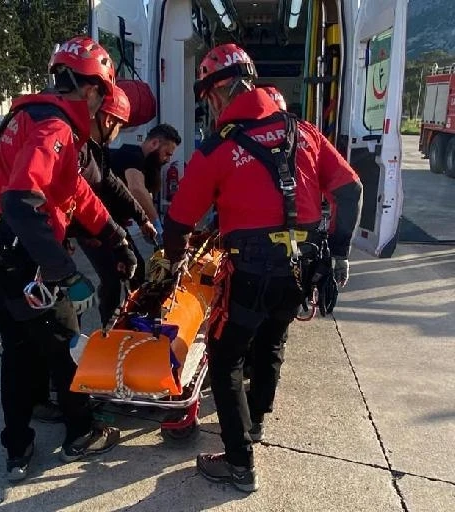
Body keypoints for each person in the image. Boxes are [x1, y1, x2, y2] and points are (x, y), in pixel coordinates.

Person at [162, 43, 362, 492]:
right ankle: (256, 425)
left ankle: (239, 464)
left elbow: (177, 221)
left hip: (249, 272)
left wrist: (175, 260)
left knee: (225, 355)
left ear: (220, 92)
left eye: (210, 98)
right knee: (272, 340)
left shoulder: (217, 149)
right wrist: (340, 253)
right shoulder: (304, 132)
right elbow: (350, 192)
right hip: (301, 268)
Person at [0, 36, 137, 482]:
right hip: (18, 264)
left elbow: (74, 190)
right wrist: (63, 270)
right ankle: (82, 431)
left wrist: (115, 238)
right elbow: (22, 201)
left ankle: (17, 448)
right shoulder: (55, 127)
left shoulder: (29, 116)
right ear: (94, 89)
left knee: (19, 351)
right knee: (68, 346)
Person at [71, 84, 157, 326]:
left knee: (130, 266)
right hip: (61, 232)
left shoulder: (95, 151)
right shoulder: (75, 148)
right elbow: (79, 201)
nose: (120, 131)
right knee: (98, 283)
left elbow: (115, 185)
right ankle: (106, 331)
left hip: (90, 226)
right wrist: (110, 235)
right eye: (121, 126)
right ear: (109, 120)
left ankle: (125, 323)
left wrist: (142, 219)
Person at [109, 123, 182, 285]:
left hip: (116, 223)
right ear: (154, 143)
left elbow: (145, 197)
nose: (167, 159)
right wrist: (156, 224)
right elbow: (136, 188)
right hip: (100, 221)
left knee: (132, 269)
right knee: (131, 269)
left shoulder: (148, 167)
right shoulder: (131, 155)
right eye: (166, 154)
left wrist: (146, 224)